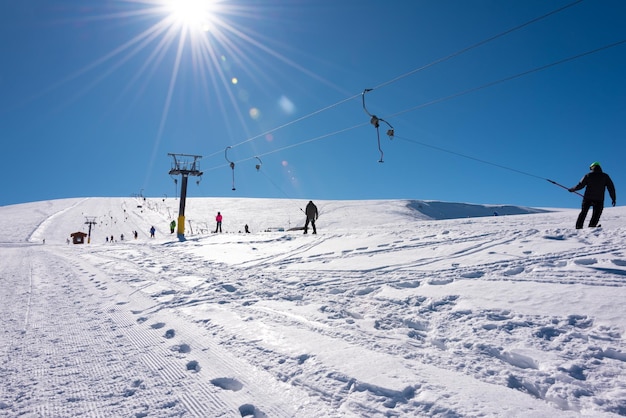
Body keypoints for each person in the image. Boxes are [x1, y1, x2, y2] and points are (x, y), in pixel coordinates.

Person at [569, 161, 616, 229]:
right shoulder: (605, 176)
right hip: (599, 199)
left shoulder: (588, 175)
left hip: (587, 198)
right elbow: (611, 188)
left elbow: (580, 185)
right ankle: (592, 226)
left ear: (591, 167)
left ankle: (578, 227)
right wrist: (613, 198)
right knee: (597, 213)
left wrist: (572, 189)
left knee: (584, 212)